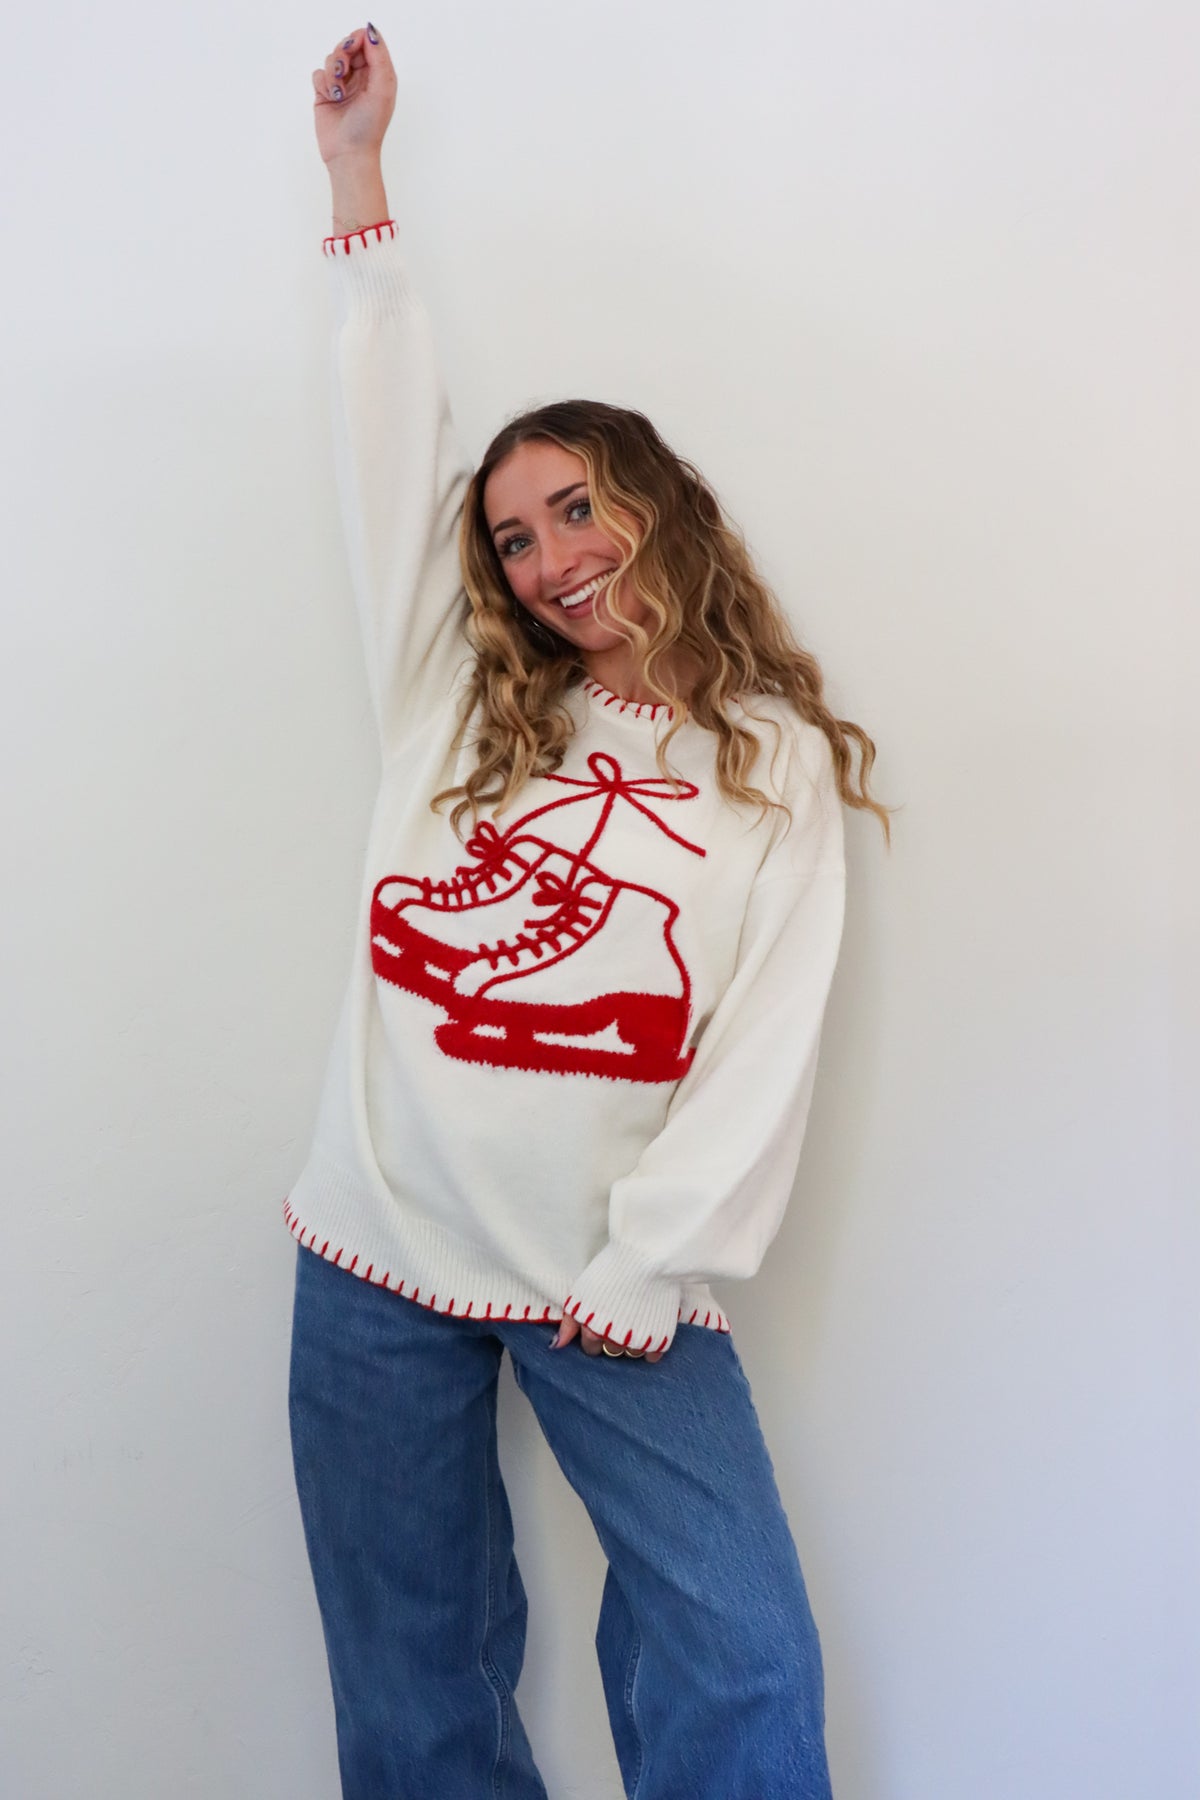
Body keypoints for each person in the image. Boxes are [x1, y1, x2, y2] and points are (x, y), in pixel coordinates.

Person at [288, 22, 891, 1800]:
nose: (551, 561)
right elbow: (386, 450)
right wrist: (355, 180)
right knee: (413, 1687)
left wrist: (654, 1262)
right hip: (376, 1250)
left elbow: (764, 1038)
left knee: (740, 1665)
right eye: (517, 540)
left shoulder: (766, 762)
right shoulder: (456, 699)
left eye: (576, 507)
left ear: (658, 501)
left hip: (609, 1274)